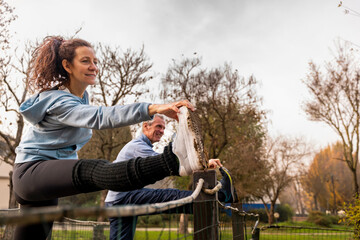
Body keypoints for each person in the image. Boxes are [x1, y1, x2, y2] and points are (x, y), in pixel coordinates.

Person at [12, 36, 200, 240]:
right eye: (85, 61)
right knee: (95, 170)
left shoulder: (79, 98)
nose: (93, 67)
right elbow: (101, 116)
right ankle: (173, 161)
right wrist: (152, 108)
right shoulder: (59, 102)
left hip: (43, 182)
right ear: (67, 65)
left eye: (95, 62)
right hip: (31, 173)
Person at [105, 114, 238, 240]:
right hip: (122, 199)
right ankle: (218, 198)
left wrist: (202, 163)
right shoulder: (137, 147)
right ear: (146, 126)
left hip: (120, 199)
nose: (162, 131)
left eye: (163, 128)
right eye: (158, 126)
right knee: (169, 197)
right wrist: (204, 163)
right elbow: (167, 165)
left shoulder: (141, 146)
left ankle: (216, 199)